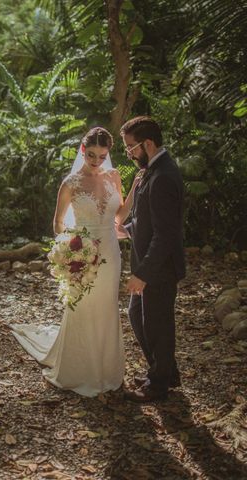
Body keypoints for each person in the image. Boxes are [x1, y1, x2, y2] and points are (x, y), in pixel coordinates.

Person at [11, 127, 140, 397]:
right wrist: (72, 251)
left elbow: (119, 217)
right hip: (84, 254)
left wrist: (135, 189)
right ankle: (79, 369)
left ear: (108, 154)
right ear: (82, 151)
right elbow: (58, 224)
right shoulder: (71, 183)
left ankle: (106, 370)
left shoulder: (113, 176)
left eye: (102, 156)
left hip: (111, 252)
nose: (96, 161)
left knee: (106, 307)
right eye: (91, 155)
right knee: (83, 307)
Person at [118, 116, 185, 402]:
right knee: (138, 316)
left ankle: (158, 385)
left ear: (148, 143)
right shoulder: (152, 170)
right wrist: (127, 229)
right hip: (149, 264)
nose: (130, 154)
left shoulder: (164, 175)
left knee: (157, 323)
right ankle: (165, 372)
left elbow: (166, 234)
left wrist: (142, 273)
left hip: (158, 268)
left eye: (131, 148)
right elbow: (148, 219)